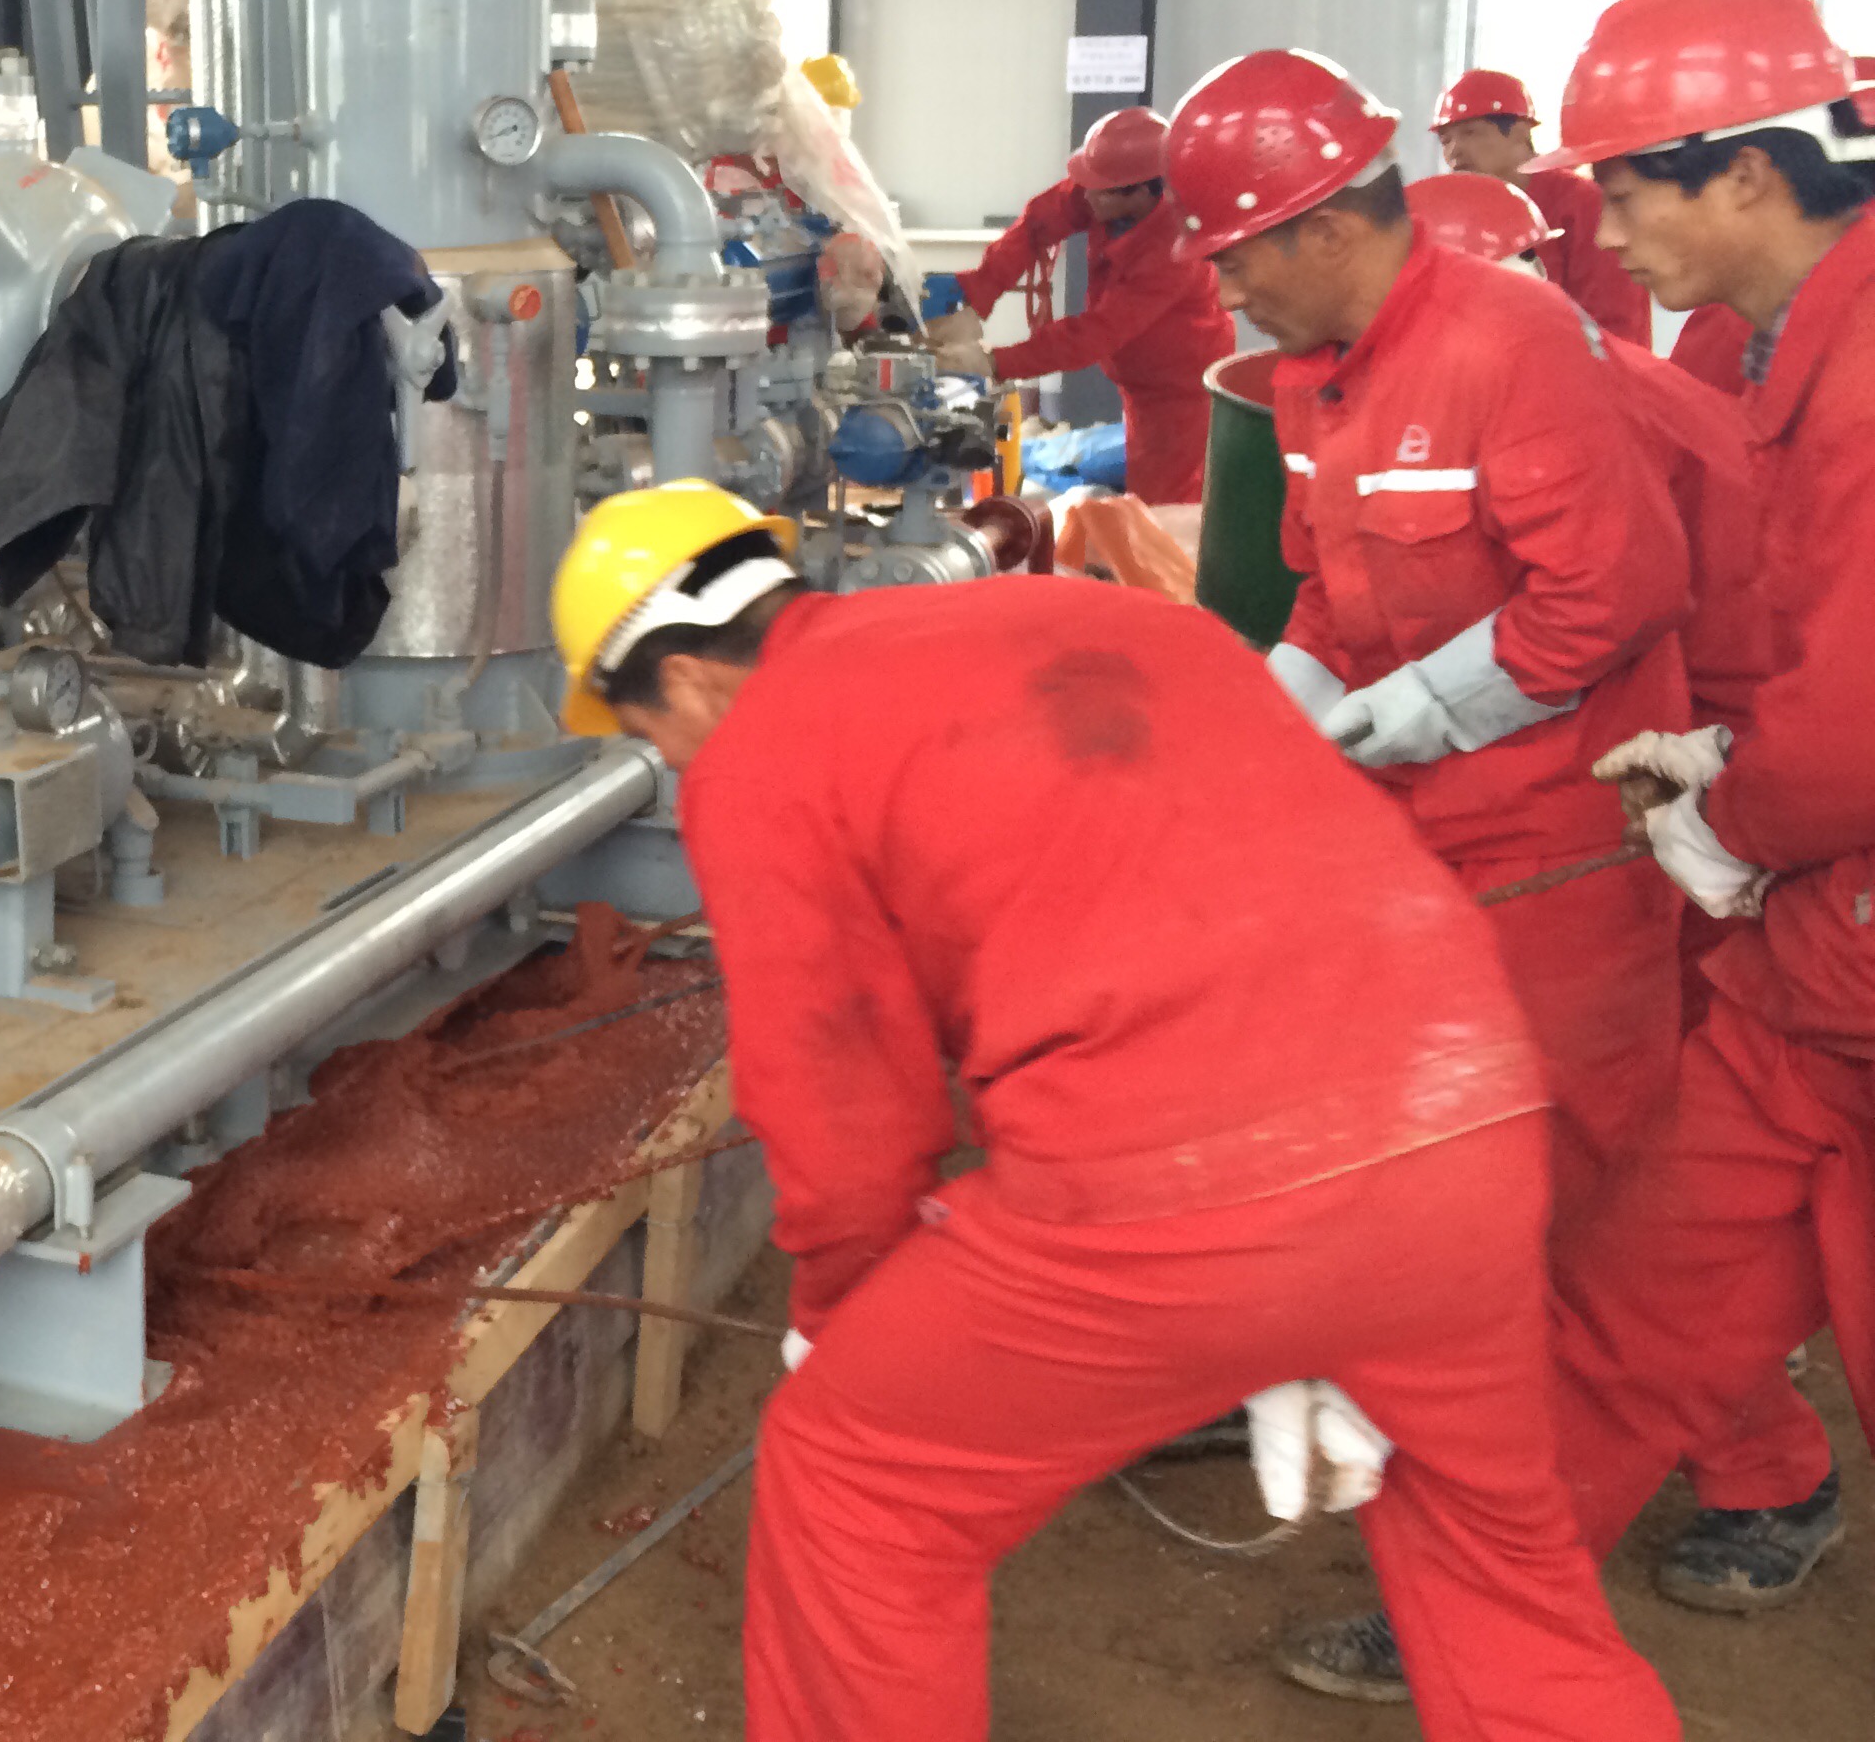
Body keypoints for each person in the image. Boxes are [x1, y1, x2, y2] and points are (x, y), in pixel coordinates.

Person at [546, 481, 1677, 1742]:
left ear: (688, 678)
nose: (674, 762)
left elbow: (837, 1096)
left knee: (854, 1478)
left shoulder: (761, 749)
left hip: (1177, 1187)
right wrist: (1317, 1312)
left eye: (652, 734)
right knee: (1502, 1566)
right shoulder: (1124, 620)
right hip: (1466, 1123)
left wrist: (845, 1321)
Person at [1162, 51, 1696, 1701]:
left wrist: (1419, 712)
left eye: (1238, 255)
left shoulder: (1505, 342)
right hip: (1420, 843)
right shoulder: (1314, 378)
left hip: (1555, 854)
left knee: (1537, 1229)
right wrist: (1272, 722)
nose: (1228, 291)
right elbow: (1330, 592)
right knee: (1426, 1189)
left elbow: (1609, 590)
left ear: (1325, 225)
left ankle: (1484, 1588)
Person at [1410, 169, 1836, 1607]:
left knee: (1618, 1182)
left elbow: (1750, 661)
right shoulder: (1446, 411)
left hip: (1665, 830)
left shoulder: (1619, 419)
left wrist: (1726, 812)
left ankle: (1768, 1471)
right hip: (1614, 821)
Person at [1522, 0, 1875, 1623]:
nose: (1601, 231)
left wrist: (1728, 820)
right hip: (1817, 964)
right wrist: (1741, 771)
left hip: (1833, 927)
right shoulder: (1798, 344)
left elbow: (1859, 709)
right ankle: (1482, 1614)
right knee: (1630, 1296)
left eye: (1623, 189)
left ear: (1743, 171)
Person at [943, 105, 1233, 503]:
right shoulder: (1105, 190)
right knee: (1139, 473)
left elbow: (1093, 334)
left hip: (1178, 387)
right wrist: (979, 295)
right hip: (1137, 371)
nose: (1085, 194)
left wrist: (995, 362)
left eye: (1100, 189)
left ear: (1143, 192)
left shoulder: (1175, 251)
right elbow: (1037, 224)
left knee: (1163, 499)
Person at [1434, 67, 1653, 343]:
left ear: (1520, 131)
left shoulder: (1583, 204)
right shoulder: (1461, 219)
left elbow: (1614, 325)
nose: (1454, 151)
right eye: (1445, 140)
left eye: (1470, 133)